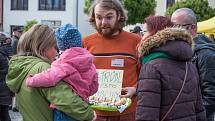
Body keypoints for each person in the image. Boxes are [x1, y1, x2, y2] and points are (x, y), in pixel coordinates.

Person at [6, 24, 96, 121]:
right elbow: (66, 100)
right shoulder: (43, 68)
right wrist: (89, 113)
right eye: (54, 47)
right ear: (43, 47)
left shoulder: (22, 66)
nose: (57, 52)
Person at [136, 16, 206, 121]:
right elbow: (199, 110)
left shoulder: (151, 66)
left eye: (144, 32)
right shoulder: (189, 64)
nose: (142, 37)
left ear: (155, 34)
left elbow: (146, 114)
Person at [83, 0, 141, 120]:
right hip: (93, 114)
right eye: (99, 17)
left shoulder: (136, 41)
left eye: (109, 17)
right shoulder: (85, 43)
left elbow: (146, 75)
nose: (103, 22)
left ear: (119, 15)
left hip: (127, 113)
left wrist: (135, 89)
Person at [171, 8, 215, 121]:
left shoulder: (206, 54)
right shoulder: (181, 50)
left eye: (176, 26)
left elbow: (211, 96)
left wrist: (193, 117)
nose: (172, 31)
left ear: (192, 27)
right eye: (171, 26)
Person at [0, 32, 12, 121]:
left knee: (4, 114)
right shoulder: (3, 53)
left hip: (2, 90)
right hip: (5, 89)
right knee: (4, 113)